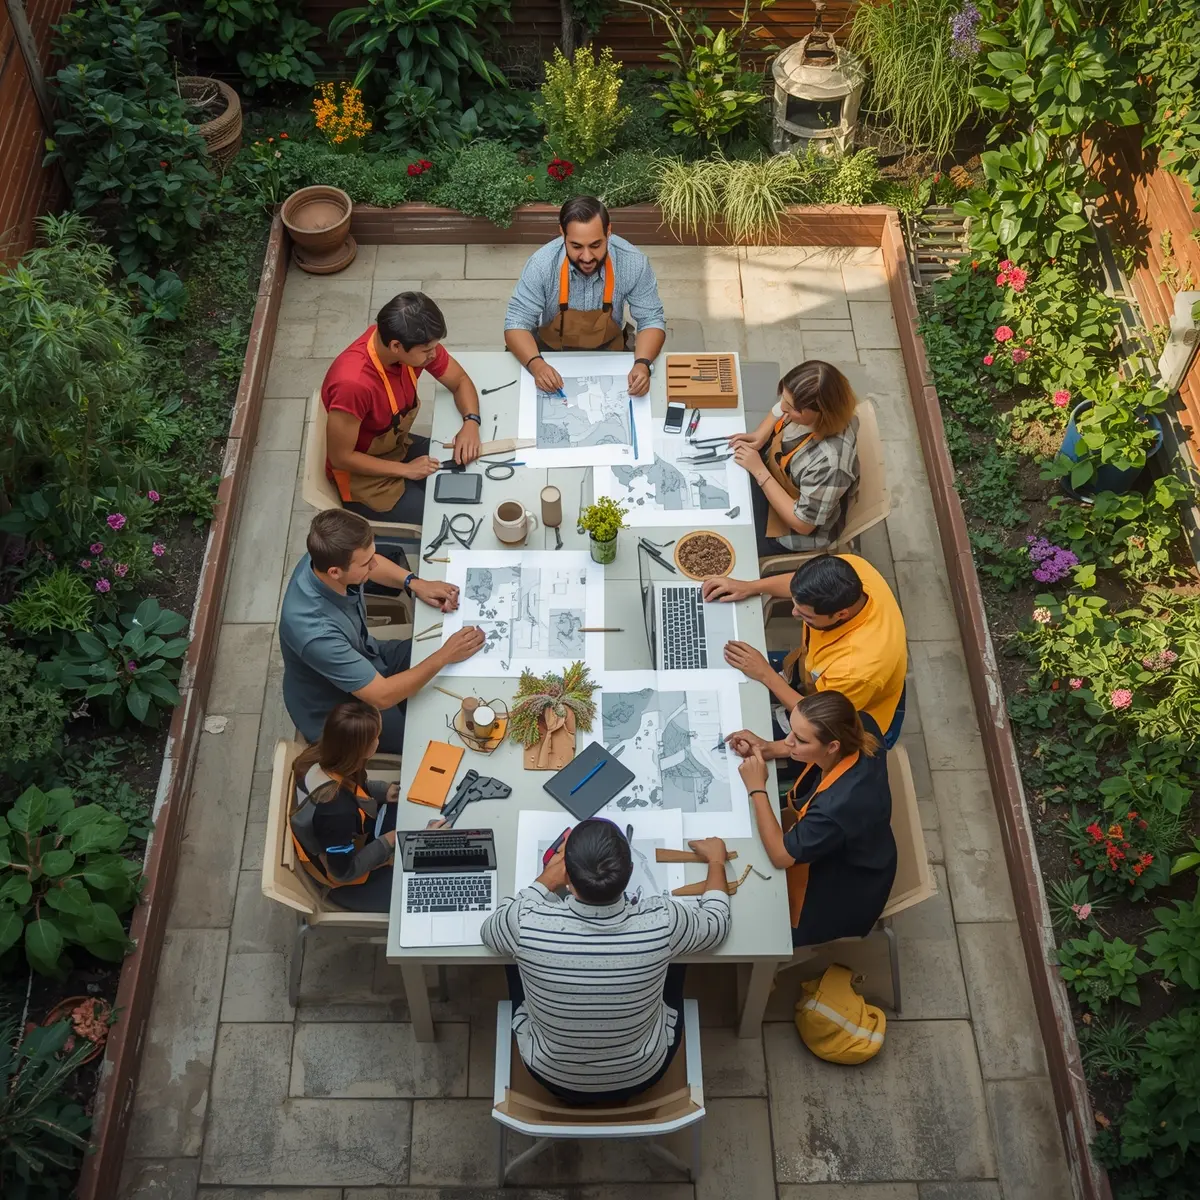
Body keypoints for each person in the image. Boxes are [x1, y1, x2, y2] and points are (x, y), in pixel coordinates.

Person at [481, 819, 730, 1104]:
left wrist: (544, 881)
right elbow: (717, 924)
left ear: (567, 879)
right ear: (631, 871)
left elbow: (490, 931)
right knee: (677, 954)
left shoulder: (526, 922)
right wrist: (716, 862)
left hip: (551, 1075)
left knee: (513, 955)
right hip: (643, 1072)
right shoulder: (664, 920)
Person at [280, 509, 484, 753]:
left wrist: (415, 583)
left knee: (444, 657)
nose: (374, 564)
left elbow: (370, 563)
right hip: (344, 712)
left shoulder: (324, 558)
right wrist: (445, 655)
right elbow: (382, 696)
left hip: (369, 654)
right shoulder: (314, 632)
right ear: (335, 572)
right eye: (366, 564)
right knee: (434, 737)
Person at [728, 691, 897, 947]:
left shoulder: (837, 806)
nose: (788, 741)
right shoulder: (861, 725)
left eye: (800, 740)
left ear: (832, 747)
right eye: (792, 732)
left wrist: (757, 787)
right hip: (860, 850)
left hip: (839, 895)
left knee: (745, 923)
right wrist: (767, 748)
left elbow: (780, 855)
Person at [704, 553, 908, 753]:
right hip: (815, 674)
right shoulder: (850, 570)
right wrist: (750, 587)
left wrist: (766, 674)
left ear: (841, 614)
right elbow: (799, 585)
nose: (794, 613)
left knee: (737, 730)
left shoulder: (855, 669)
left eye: (805, 615)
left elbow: (820, 722)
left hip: (842, 724)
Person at [322, 291, 482, 524]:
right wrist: (405, 470)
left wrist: (471, 422)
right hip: (361, 477)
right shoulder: (353, 384)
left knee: (470, 470)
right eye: (427, 350)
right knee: (445, 517)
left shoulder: (406, 343)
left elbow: (460, 381)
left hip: (396, 446)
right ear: (396, 346)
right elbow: (341, 458)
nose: (434, 355)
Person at [503, 195, 666, 399]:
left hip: (610, 351)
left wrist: (642, 364)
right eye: (577, 246)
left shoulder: (633, 263)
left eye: (596, 245)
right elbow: (516, 323)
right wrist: (536, 364)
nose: (587, 257)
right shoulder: (541, 265)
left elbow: (651, 319)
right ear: (562, 233)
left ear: (608, 231)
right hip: (550, 353)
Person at [729, 360, 860, 558]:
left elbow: (803, 524)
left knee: (731, 541)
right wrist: (760, 435)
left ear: (821, 413)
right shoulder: (815, 410)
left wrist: (759, 471)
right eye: (784, 398)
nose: (782, 408)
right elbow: (779, 410)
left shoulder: (830, 464)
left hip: (792, 528)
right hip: (773, 478)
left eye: (791, 408)